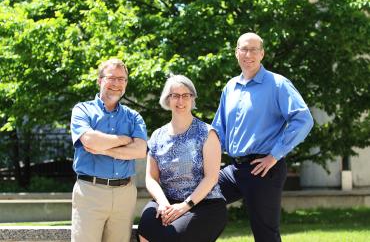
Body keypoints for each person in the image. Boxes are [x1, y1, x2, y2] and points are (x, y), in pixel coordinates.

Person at [212, 32, 314, 242]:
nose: (248, 54)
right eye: (243, 49)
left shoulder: (278, 84)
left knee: (265, 234)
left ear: (262, 54)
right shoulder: (230, 87)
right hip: (233, 169)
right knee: (199, 199)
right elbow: (218, 129)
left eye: (253, 50)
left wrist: (275, 155)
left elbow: (303, 119)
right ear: (236, 53)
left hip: (264, 168)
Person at [138, 75, 227, 242]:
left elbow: (211, 177)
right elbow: (151, 177)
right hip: (168, 201)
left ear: (192, 99)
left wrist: (184, 207)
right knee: (146, 227)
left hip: (204, 203)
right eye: (175, 95)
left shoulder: (207, 133)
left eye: (185, 95)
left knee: (173, 236)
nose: (180, 100)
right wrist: (163, 203)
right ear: (167, 99)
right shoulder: (157, 135)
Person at [70, 58, 147, 242]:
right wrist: (123, 140)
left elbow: (140, 150)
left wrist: (104, 148)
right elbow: (89, 140)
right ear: (100, 80)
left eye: (122, 79)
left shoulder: (133, 116)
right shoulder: (82, 110)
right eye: (111, 78)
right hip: (90, 191)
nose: (117, 83)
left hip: (125, 193)